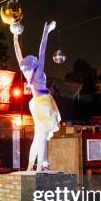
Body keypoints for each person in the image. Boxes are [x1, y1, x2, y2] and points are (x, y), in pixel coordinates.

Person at [13, 21, 61, 171]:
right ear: (34, 63)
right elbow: (43, 49)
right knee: (41, 137)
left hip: (36, 104)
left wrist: (15, 38)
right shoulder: (38, 72)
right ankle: (38, 167)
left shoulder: (28, 75)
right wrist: (46, 31)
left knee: (39, 136)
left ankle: (31, 166)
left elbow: (18, 54)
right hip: (43, 103)